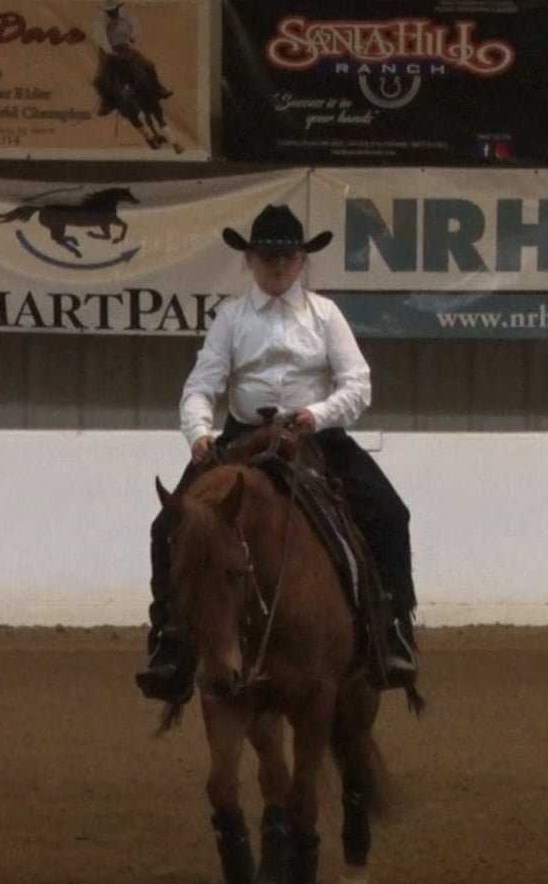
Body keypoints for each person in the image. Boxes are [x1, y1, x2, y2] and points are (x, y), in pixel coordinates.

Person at [136, 204, 417, 700]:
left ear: (302, 260)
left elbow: (357, 384)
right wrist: (199, 433)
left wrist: (318, 414)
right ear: (250, 260)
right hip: (241, 437)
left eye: (288, 257)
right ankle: (169, 639)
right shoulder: (231, 318)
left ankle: (392, 629)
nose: (279, 266)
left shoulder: (326, 315)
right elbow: (201, 386)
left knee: (390, 514)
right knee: (167, 526)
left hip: (315, 437)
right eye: (269, 257)